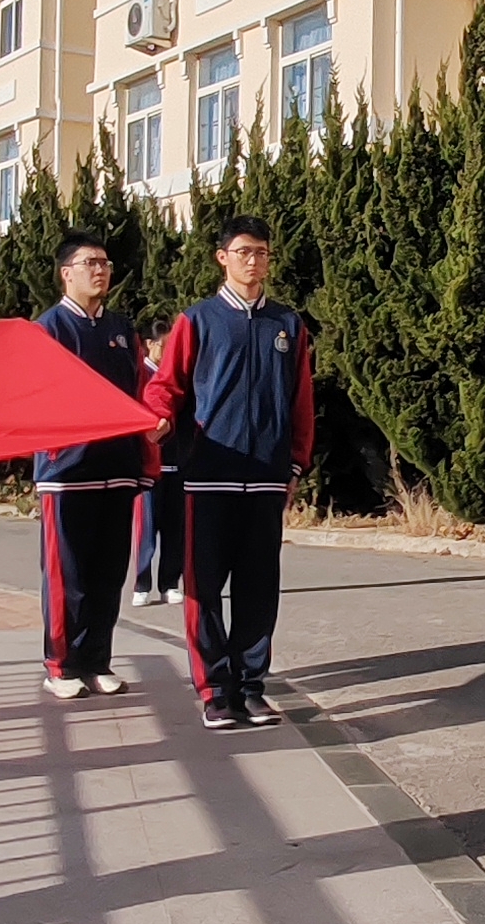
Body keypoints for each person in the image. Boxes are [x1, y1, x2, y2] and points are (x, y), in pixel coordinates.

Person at [143, 215, 315, 730]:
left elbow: (301, 401)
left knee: (259, 589)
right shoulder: (197, 320)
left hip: (266, 478)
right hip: (208, 476)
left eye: (261, 252)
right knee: (204, 589)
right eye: (243, 252)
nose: (253, 261)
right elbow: (167, 386)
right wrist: (157, 417)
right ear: (222, 258)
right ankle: (216, 690)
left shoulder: (288, 325)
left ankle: (251, 686)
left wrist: (295, 462)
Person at [33, 231, 149, 700]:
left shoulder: (121, 329)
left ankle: (97, 660)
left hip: (117, 466)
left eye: (105, 263)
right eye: (90, 263)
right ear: (66, 273)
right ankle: (61, 665)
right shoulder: (49, 328)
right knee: (69, 576)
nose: (100, 270)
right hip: (67, 472)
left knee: (107, 574)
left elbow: (139, 390)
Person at [132, 317, 186, 608]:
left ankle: (170, 582)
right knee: (147, 527)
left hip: (176, 461)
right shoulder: (139, 373)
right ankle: (142, 583)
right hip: (150, 464)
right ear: (150, 345)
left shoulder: (176, 376)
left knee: (175, 527)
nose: (167, 353)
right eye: (164, 346)